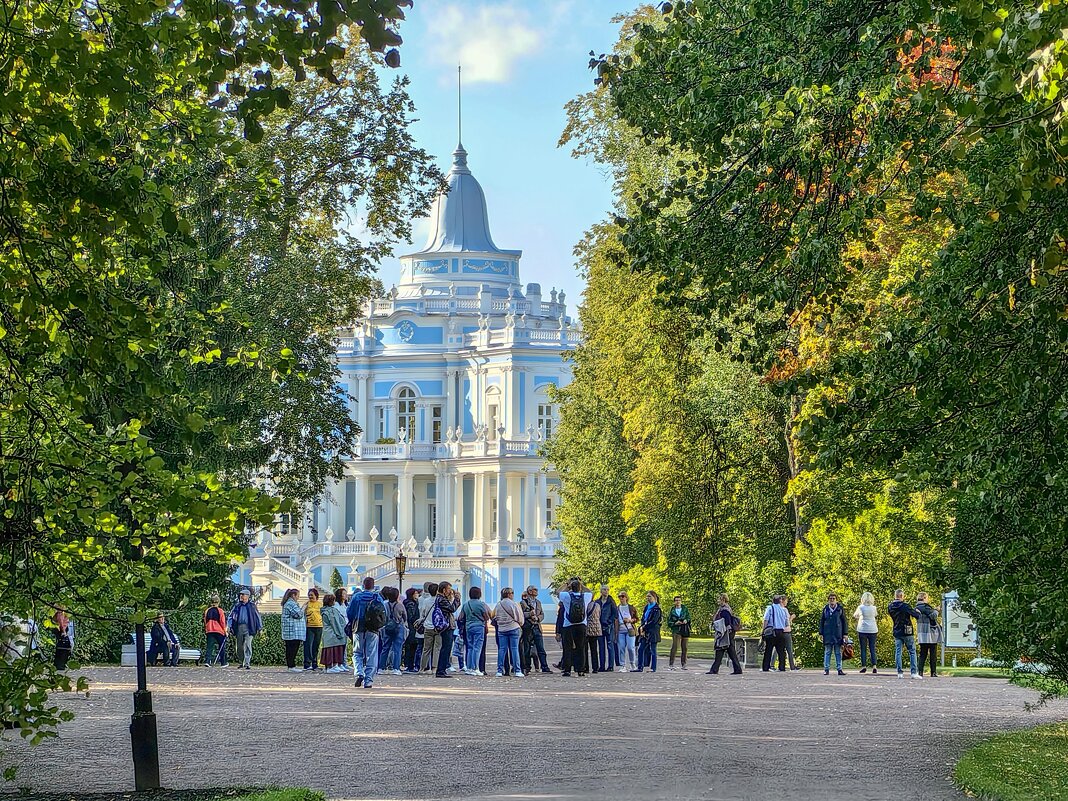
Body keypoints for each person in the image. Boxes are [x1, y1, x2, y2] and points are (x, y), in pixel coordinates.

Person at [347, 576, 385, 689]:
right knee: (371, 654)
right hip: (373, 628)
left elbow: (349, 612)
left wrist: (352, 621)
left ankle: (359, 673)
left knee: (357, 652)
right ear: (373, 586)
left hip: (358, 627)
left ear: (363, 585)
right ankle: (368, 680)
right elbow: (383, 613)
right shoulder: (377, 597)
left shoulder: (357, 597)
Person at [557, 578, 591, 677]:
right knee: (581, 648)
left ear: (571, 587)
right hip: (581, 624)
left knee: (567, 648)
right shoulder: (585, 596)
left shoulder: (566, 596)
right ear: (580, 587)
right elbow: (590, 591)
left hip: (568, 624)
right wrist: (581, 583)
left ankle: (567, 670)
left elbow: (558, 592)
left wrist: (567, 583)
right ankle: (580, 670)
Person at [888, 588, 921, 679]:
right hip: (907, 631)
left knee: (898, 651)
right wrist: (917, 612)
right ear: (902, 596)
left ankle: (899, 672)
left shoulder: (890, 606)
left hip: (897, 630)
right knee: (912, 651)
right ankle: (913, 672)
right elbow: (916, 615)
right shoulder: (905, 606)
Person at [493, 587, 525, 678]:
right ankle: (517, 670)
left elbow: (495, 616)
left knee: (502, 650)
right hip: (513, 628)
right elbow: (519, 616)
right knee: (514, 649)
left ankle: (499, 670)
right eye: (512, 593)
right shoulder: (513, 604)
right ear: (509, 594)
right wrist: (520, 624)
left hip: (502, 629)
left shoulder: (498, 605)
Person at [227, 587, 262, 669]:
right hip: (239, 627)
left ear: (247, 596)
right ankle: (241, 661)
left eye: (243, 595)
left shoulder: (252, 606)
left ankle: (247, 662)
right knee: (239, 646)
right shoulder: (237, 606)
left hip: (249, 627)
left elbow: (258, 617)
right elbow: (231, 617)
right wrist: (228, 626)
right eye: (240, 595)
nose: (241, 596)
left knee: (247, 644)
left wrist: (260, 628)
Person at [708, 594, 743, 675]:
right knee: (730, 651)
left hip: (725, 632)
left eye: (719, 599)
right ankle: (737, 669)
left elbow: (727, 621)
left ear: (723, 599)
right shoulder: (726, 608)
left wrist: (723, 630)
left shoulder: (724, 610)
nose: (718, 601)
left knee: (720, 649)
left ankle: (714, 670)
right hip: (727, 632)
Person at [432, 581, 460, 679]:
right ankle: (441, 670)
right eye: (449, 589)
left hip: (447, 625)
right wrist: (457, 599)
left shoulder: (441, 598)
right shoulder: (441, 599)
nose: (450, 591)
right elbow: (452, 609)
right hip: (446, 626)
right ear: (444, 590)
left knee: (446, 648)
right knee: (446, 648)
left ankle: (442, 669)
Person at [520, 586, 552, 674]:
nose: (536, 591)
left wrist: (538, 618)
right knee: (526, 648)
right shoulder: (523, 602)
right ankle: (527, 667)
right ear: (529, 591)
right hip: (528, 627)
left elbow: (542, 613)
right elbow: (521, 614)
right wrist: (529, 615)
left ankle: (544, 666)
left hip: (537, 627)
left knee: (541, 648)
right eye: (535, 589)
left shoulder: (538, 602)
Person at [633, 591, 662, 673]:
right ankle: (640, 667)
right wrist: (641, 627)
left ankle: (653, 668)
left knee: (653, 650)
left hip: (652, 632)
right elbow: (643, 618)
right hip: (644, 632)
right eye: (647, 596)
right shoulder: (647, 607)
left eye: (649, 596)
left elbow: (654, 621)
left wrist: (644, 627)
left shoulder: (657, 609)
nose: (648, 598)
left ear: (654, 597)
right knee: (640, 649)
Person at [380, 586, 407, 676]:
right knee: (397, 649)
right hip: (398, 627)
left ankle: (381, 667)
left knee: (385, 647)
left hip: (387, 627)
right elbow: (405, 617)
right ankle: (396, 668)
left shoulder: (385, 604)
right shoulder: (400, 605)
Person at [820, 592, 848, 675]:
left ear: (836, 600)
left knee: (838, 652)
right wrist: (821, 633)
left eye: (833, 599)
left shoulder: (840, 609)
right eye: (830, 599)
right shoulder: (826, 609)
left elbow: (844, 622)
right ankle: (826, 669)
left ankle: (839, 669)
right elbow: (822, 621)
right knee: (827, 652)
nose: (832, 600)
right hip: (827, 633)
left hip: (837, 634)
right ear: (828, 600)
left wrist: (845, 634)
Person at [320, 593, 348, 673]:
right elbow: (335, 623)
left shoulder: (324, 610)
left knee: (330, 650)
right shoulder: (331, 611)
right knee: (332, 650)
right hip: (333, 633)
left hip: (327, 633)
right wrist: (340, 633)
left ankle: (332, 666)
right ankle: (330, 666)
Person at [916, 592, 941, 678]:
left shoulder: (916, 607)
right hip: (930, 633)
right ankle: (933, 672)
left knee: (922, 653)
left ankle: (920, 671)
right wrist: (937, 610)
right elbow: (933, 616)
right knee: (933, 653)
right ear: (924, 598)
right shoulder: (925, 607)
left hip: (921, 633)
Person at [761, 595, 790, 672]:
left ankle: (766, 667)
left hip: (772, 631)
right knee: (781, 651)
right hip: (781, 631)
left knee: (768, 650)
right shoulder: (783, 610)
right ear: (780, 601)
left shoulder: (770, 608)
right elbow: (786, 622)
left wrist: (763, 630)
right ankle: (782, 667)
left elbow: (765, 620)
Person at [280, 588, 306, 672]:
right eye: (298, 595)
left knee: (290, 648)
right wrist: (303, 608)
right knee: (292, 649)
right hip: (293, 631)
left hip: (290, 631)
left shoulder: (288, 603)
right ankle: (291, 666)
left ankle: (291, 666)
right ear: (293, 595)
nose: (298, 597)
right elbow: (298, 614)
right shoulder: (291, 604)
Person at [853, 592, 879, 674]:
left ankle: (864, 666)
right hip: (872, 629)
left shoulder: (860, 607)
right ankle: (874, 666)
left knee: (863, 648)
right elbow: (875, 615)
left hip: (862, 629)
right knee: (872, 648)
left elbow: (855, 615)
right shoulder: (874, 608)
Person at [418, 582, 440, 672]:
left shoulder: (426, 601)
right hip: (438, 627)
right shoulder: (439, 600)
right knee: (436, 648)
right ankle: (434, 667)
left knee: (426, 649)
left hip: (428, 626)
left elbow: (423, 613)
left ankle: (422, 668)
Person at [202, 594, 228, 667]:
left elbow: (205, 620)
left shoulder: (207, 611)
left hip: (209, 630)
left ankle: (207, 661)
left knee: (209, 647)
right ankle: (223, 662)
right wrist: (225, 631)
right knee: (221, 647)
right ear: (218, 602)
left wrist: (207, 628)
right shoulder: (220, 611)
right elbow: (222, 622)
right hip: (218, 631)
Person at [597, 585, 619, 672]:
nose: (606, 591)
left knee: (610, 646)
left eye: (607, 590)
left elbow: (615, 614)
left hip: (609, 627)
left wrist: (609, 621)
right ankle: (602, 666)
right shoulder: (597, 602)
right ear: (601, 591)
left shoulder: (611, 602)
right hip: (599, 626)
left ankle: (610, 666)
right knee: (601, 647)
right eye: (604, 590)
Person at [667, 595, 692, 670]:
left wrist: (686, 620)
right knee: (675, 646)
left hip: (684, 629)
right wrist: (675, 623)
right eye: (676, 600)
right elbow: (669, 621)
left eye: (679, 600)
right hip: (676, 630)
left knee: (685, 647)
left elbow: (689, 617)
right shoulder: (672, 611)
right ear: (674, 602)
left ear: (681, 601)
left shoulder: (685, 609)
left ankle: (684, 664)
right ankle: (671, 664)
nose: (678, 602)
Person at [615, 591, 638, 672]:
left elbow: (636, 618)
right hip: (620, 630)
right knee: (621, 648)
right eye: (619, 596)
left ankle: (632, 664)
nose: (621, 598)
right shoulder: (617, 608)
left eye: (623, 596)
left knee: (630, 647)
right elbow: (615, 619)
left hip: (630, 629)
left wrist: (630, 620)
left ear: (626, 597)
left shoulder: (631, 607)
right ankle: (623, 665)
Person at [402, 587, 422, 673]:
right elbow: (412, 617)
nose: (417, 595)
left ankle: (409, 664)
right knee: (412, 647)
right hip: (412, 628)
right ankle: (410, 665)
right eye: (416, 593)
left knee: (409, 647)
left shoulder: (407, 603)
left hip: (409, 628)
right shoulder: (411, 604)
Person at [303, 587, 323, 671]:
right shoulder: (307, 604)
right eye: (309, 595)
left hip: (319, 626)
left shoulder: (320, 604)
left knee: (316, 646)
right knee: (308, 645)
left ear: (316, 595)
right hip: (309, 627)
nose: (310, 596)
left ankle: (315, 663)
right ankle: (307, 663)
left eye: (312, 595)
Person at [780, 596, 800, 670]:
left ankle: (771, 664)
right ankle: (792, 666)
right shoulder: (784, 610)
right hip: (786, 631)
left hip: (779, 631)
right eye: (786, 601)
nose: (787, 602)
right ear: (782, 601)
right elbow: (787, 622)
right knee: (789, 650)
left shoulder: (777, 610)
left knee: (777, 649)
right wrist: (792, 617)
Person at [585, 593, 603, 673]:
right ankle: (595, 667)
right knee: (594, 649)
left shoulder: (585, 605)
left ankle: (586, 667)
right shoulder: (597, 605)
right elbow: (599, 615)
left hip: (587, 628)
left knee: (585, 649)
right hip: (596, 629)